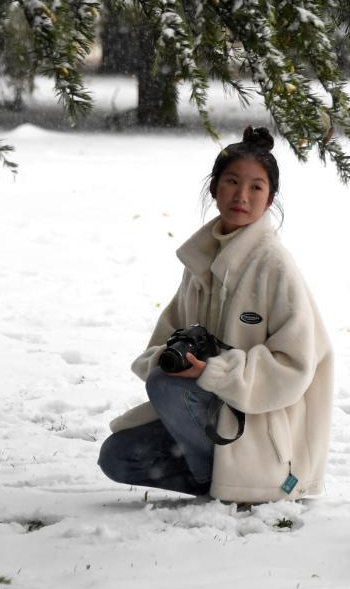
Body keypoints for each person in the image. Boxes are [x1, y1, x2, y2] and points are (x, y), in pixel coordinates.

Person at [99, 126, 334, 504]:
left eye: (256, 187)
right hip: (211, 415)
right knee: (118, 457)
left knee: (165, 387)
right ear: (214, 189)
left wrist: (215, 372)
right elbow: (164, 339)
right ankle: (223, 478)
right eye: (231, 182)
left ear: (270, 199)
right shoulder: (199, 262)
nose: (242, 196)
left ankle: (248, 479)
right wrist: (173, 359)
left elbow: (295, 367)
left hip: (263, 430)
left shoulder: (274, 266)